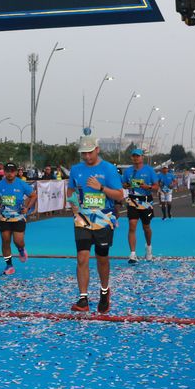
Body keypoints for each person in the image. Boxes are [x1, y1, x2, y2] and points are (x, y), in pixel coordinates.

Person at [66, 131, 123, 313]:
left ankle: (104, 291)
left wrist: (101, 187)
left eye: (90, 152)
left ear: (97, 150)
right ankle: (83, 299)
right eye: (84, 153)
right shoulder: (76, 169)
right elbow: (71, 191)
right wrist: (73, 205)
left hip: (103, 219)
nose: (87, 156)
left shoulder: (108, 169)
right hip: (82, 218)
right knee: (82, 257)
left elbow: (119, 195)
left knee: (102, 258)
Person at [0, 162, 37, 276]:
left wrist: (27, 208)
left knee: (18, 241)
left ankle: (21, 250)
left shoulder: (21, 184)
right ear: (4, 172)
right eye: (7, 171)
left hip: (19, 217)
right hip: (4, 218)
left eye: (12, 171)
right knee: (5, 240)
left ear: (16, 172)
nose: (10, 174)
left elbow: (33, 195)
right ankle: (9, 265)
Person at [122, 149, 159, 263]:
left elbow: (156, 187)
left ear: (142, 157)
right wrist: (128, 185)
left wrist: (147, 187)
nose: (136, 158)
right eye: (134, 156)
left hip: (146, 201)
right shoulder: (128, 171)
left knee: (146, 227)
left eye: (138, 156)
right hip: (132, 200)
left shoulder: (149, 170)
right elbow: (123, 184)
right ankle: (133, 254)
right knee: (132, 225)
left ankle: (148, 247)